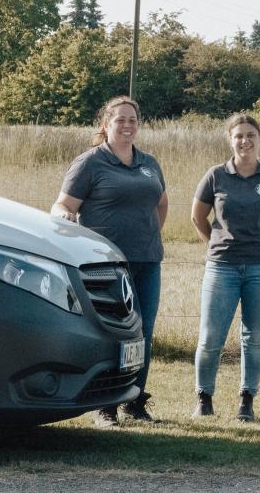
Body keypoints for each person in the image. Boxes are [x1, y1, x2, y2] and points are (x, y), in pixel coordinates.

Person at [51, 96, 168, 426]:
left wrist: (147, 235)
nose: (128, 125)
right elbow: (63, 205)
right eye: (120, 120)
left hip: (146, 261)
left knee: (144, 333)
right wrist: (66, 220)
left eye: (133, 120)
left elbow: (161, 203)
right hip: (105, 266)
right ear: (105, 125)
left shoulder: (149, 163)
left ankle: (136, 401)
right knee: (115, 332)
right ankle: (105, 407)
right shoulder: (90, 163)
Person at [190, 114, 260, 422]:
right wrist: (216, 243)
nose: (245, 141)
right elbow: (198, 218)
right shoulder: (215, 175)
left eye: (251, 135)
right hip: (222, 267)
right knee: (211, 338)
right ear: (230, 139)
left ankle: (246, 401)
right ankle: (204, 398)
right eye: (239, 136)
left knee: (254, 337)